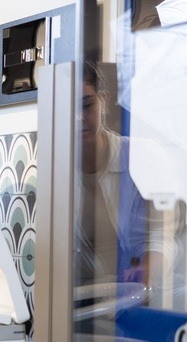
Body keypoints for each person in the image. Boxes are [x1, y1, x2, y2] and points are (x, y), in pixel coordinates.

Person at [76, 61, 183, 294]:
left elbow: (163, 236)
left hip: (150, 294)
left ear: (103, 101)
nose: (78, 118)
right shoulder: (55, 172)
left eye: (86, 105)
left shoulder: (144, 156)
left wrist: (146, 268)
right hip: (88, 303)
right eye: (67, 108)